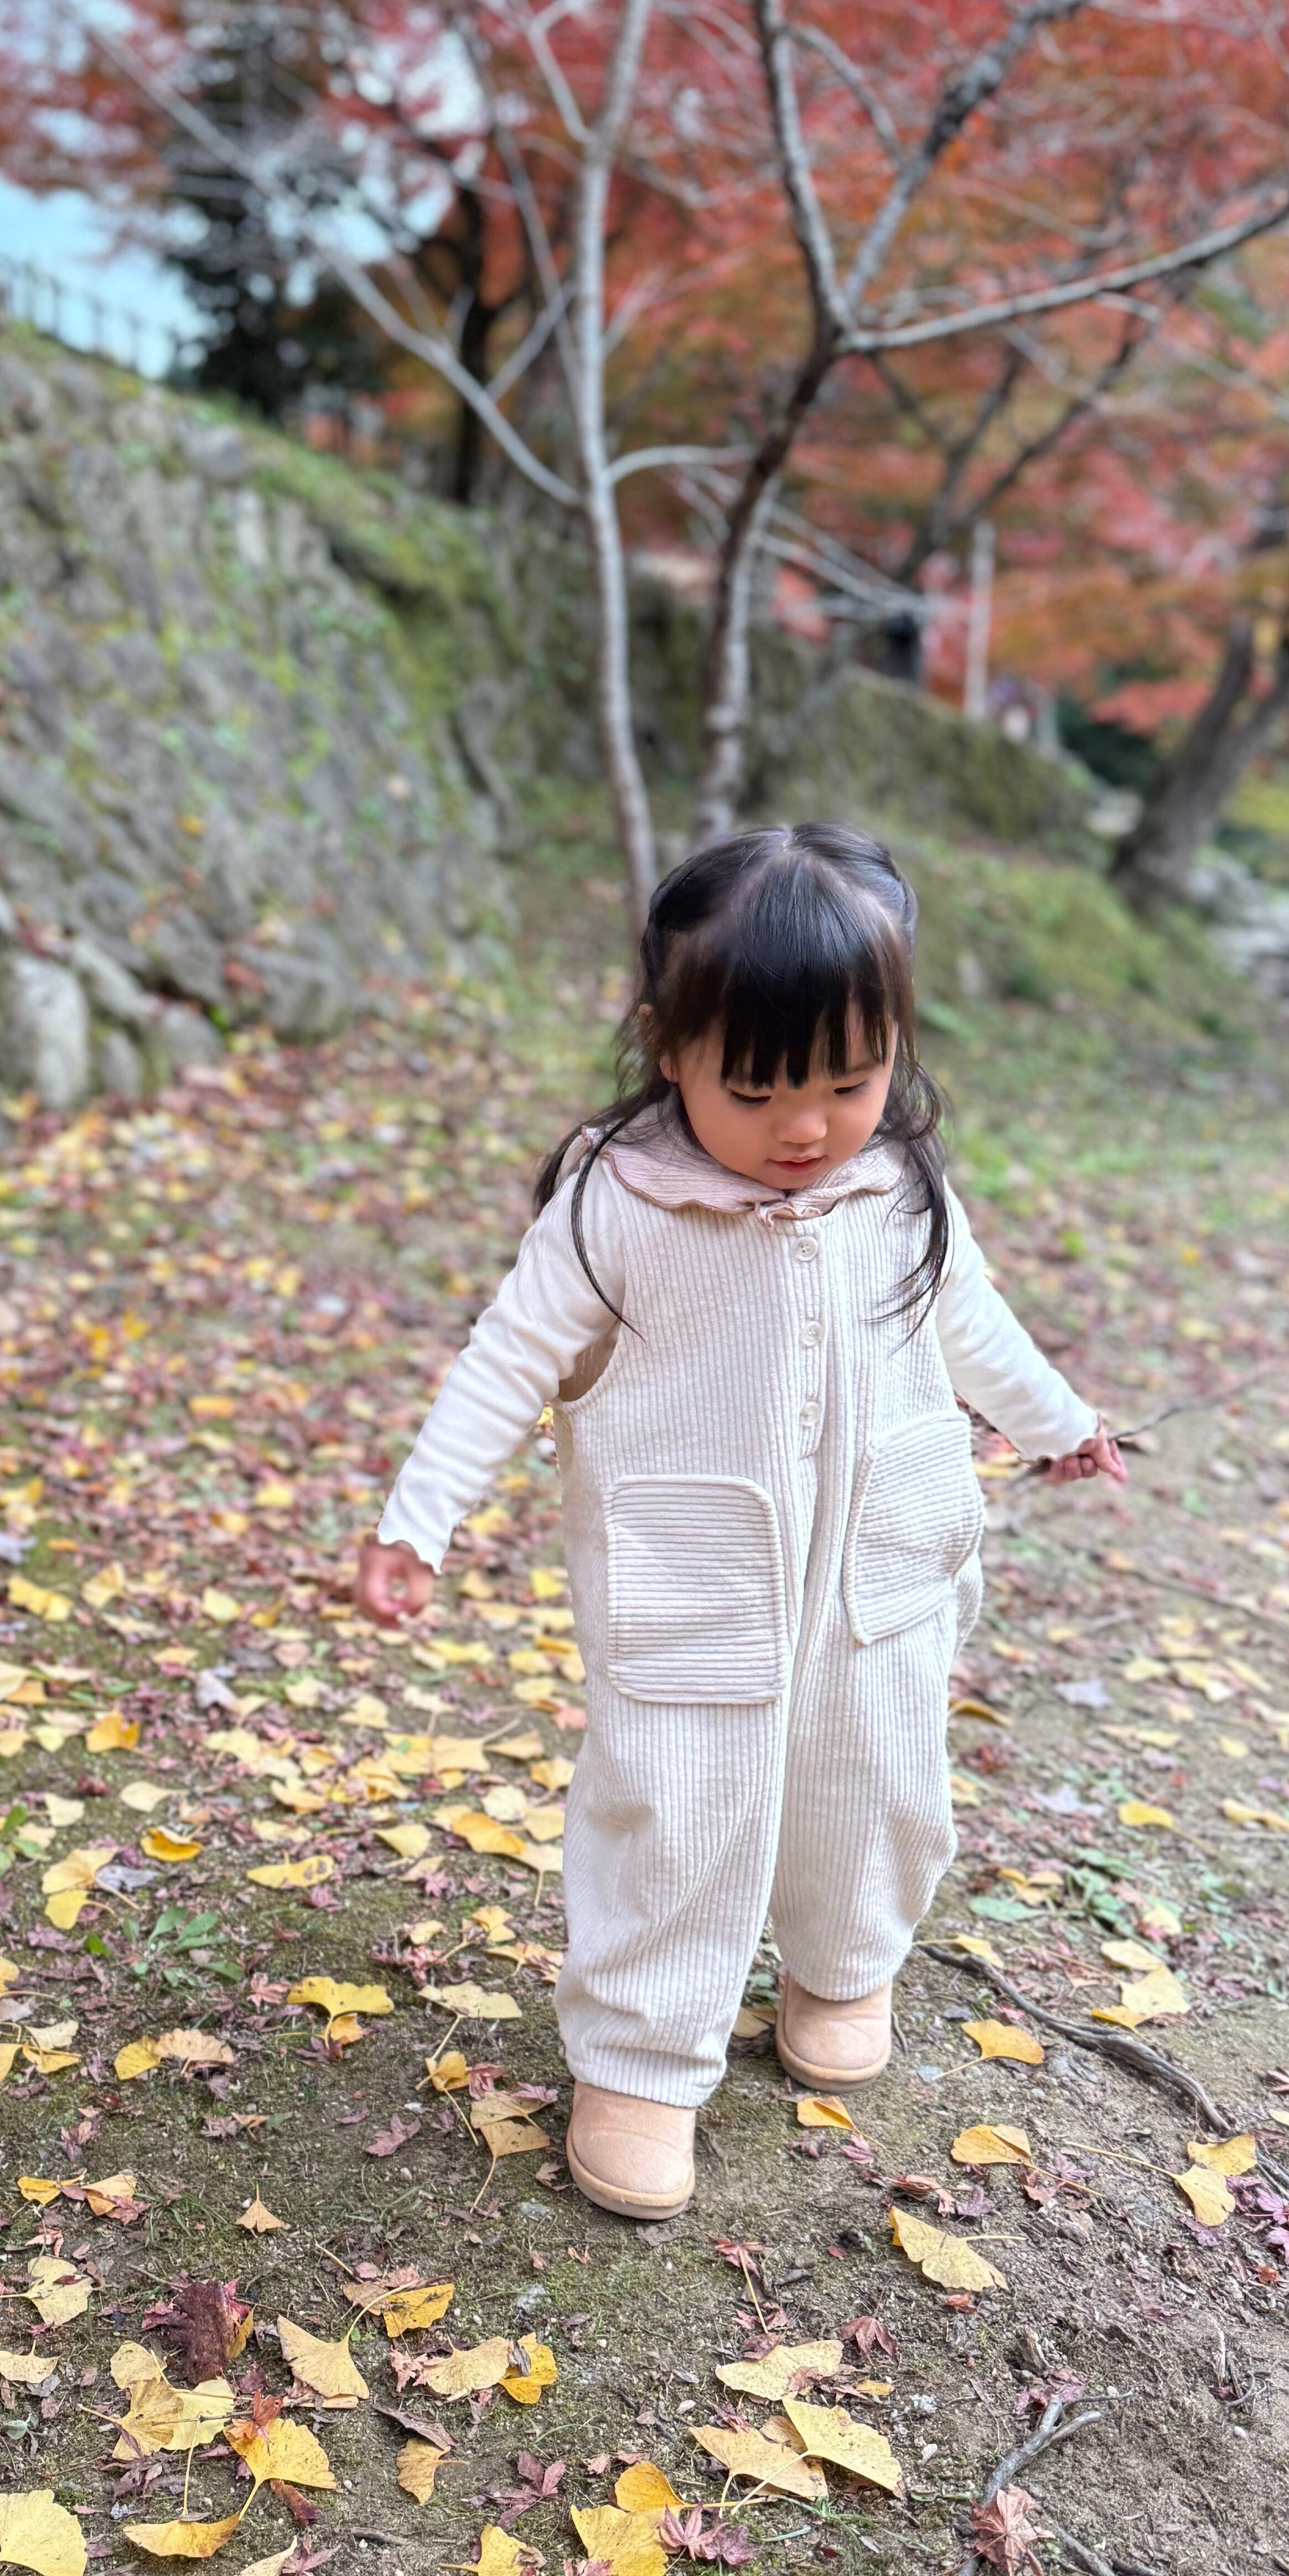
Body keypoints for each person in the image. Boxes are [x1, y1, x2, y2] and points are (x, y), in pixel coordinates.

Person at [355, 824, 1123, 2222]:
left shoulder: (902, 1188)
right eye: (759, 1090)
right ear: (669, 1047)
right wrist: (420, 1523)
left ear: (895, 1047)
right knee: (677, 1809)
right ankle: (642, 2063)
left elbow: (975, 1327)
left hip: (881, 1571)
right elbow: (505, 1363)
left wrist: (1059, 1422)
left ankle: (844, 1969)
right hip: (694, 1585)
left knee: (877, 1782)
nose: (807, 1129)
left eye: (850, 1081)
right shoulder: (619, 1206)